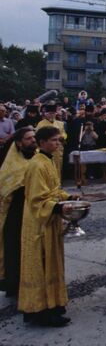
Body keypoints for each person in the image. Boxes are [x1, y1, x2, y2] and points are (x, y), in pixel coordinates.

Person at [19, 126, 80, 327]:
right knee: (41, 262)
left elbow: (53, 189)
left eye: (59, 140)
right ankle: (41, 310)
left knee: (51, 261)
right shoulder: (37, 165)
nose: (58, 144)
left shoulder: (48, 160)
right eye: (54, 140)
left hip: (48, 219)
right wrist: (57, 208)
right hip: (38, 222)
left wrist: (68, 197)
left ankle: (54, 304)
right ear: (42, 141)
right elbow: (37, 199)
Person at [0, 127, 37, 297]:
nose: (33, 141)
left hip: (34, 211)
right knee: (14, 248)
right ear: (19, 143)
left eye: (34, 138)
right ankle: (13, 284)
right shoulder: (11, 164)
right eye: (28, 138)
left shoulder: (37, 159)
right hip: (15, 213)